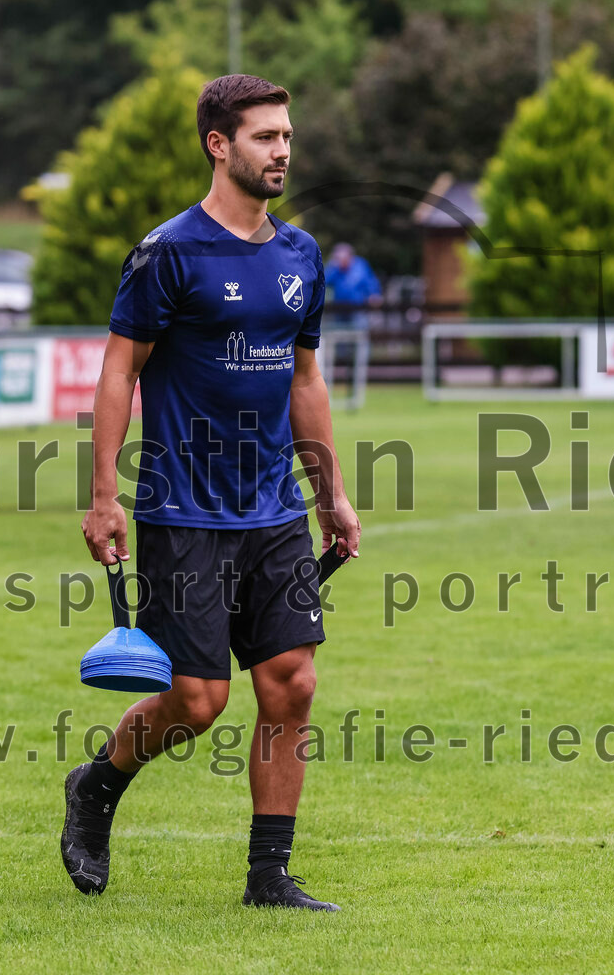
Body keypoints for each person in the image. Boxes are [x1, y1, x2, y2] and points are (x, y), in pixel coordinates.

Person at [63, 74, 361, 912]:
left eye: (289, 136)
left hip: (273, 508)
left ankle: (269, 877)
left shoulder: (300, 255)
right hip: (183, 508)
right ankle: (97, 786)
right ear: (218, 145)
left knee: (291, 684)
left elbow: (306, 381)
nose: (283, 152)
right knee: (196, 702)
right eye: (266, 137)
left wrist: (330, 492)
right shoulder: (168, 253)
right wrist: (103, 496)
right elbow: (120, 368)